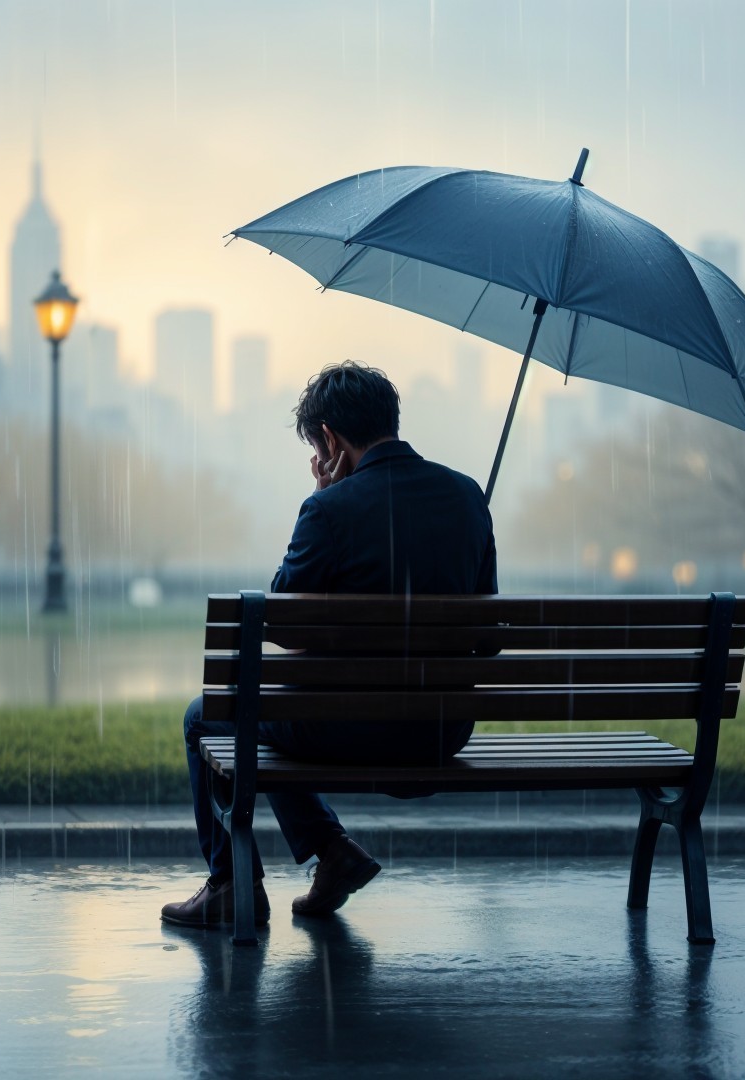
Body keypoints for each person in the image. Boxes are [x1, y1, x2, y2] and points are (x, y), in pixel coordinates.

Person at [162, 361, 498, 929]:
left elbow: (281, 625)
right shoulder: (467, 497)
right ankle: (333, 853)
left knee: (209, 717)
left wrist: (323, 496)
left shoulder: (330, 508)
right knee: (247, 717)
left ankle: (230, 884)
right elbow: (487, 642)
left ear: (329, 439)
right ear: (390, 420)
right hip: (439, 732)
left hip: (346, 731)